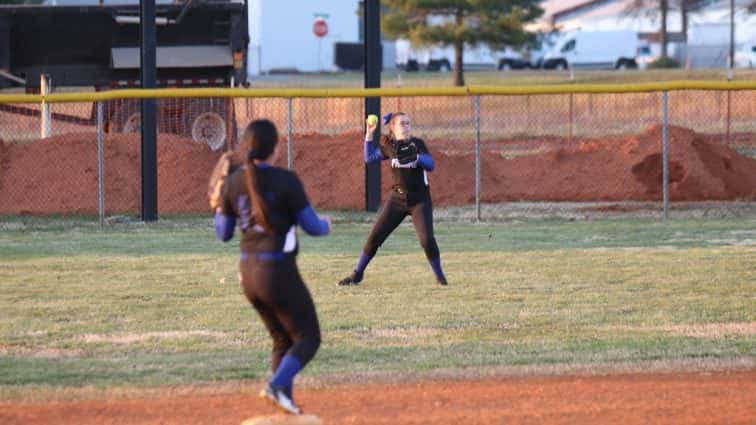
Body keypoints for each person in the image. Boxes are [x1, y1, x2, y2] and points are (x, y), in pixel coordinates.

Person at [212, 119, 331, 415]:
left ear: (246, 147)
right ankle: (276, 387)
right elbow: (313, 228)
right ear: (275, 149)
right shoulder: (286, 180)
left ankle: (284, 404)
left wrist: (217, 203)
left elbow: (224, 234)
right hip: (276, 271)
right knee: (308, 338)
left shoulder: (234, 181)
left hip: (248, 275)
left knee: (282, 340)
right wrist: (327, 225)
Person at [338, 112, 447, 286]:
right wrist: (369, 134)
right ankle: (357, 274)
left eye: (408, 123)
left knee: (427, 240)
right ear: (393, 128)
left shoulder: (417, 144)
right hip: (397, 199)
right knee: (374, 238)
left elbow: (431, 165)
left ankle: (440, 278)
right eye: (402, 123)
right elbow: (369, 158)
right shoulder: (391, 146)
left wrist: (417, 158)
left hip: (420, 200)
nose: (406, 126)